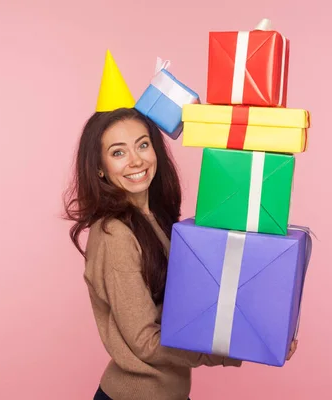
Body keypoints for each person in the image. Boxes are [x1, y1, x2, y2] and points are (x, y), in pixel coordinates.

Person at [63, 51, 297, 400]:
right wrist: (230, 350)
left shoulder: (156, 218)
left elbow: (193, 303)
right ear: (99, 168)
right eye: (118, 152)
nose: (137, 160)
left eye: (142, 145)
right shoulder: (115, 235)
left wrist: (261, 328)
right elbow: (145, 342)